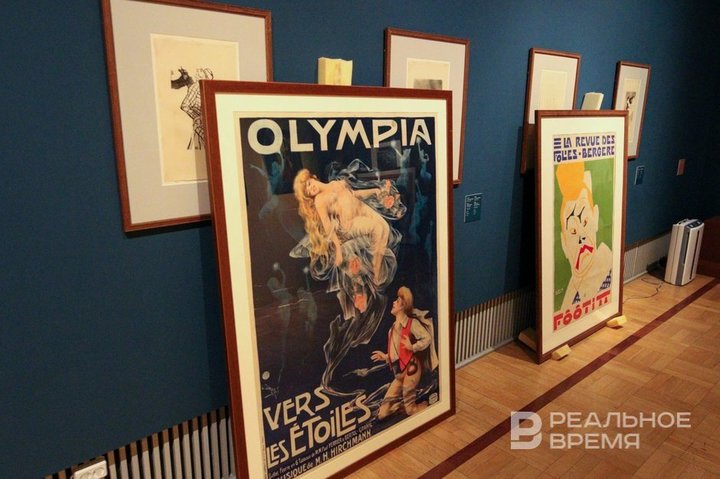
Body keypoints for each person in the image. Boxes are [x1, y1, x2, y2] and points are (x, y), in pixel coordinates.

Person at [293, 167, 404, 294]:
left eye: (309, 184)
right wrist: (338, 249)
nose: (310, 188)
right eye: (308, 192)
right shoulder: (320, 200)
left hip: (361, 208)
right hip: (349, 223)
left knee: (385, 227)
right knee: (377, 228)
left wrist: (374, 190)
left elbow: (355, 194)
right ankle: (376, 270)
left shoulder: (336, 183)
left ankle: (376, 267)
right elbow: (328, 226)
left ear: (313, 177)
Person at [371, 286, 437, 419]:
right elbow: (396, 354)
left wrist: (413, 347)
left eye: (397, 301)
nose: (394, 303)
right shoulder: (391, 330)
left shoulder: (412, 323)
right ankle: (403, 406)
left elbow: (427, 338)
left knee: (410, 410)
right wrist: (385, 356)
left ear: (403, 306)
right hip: (399, 374)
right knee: (382, 414)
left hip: (412, 368)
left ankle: (427, 407)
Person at [556, 161, 613, 312]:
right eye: (573, 231)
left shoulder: (609, 270)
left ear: (595, 218)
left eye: (585, 222)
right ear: (564, 244)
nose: (581, 237)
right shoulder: (568, 297)